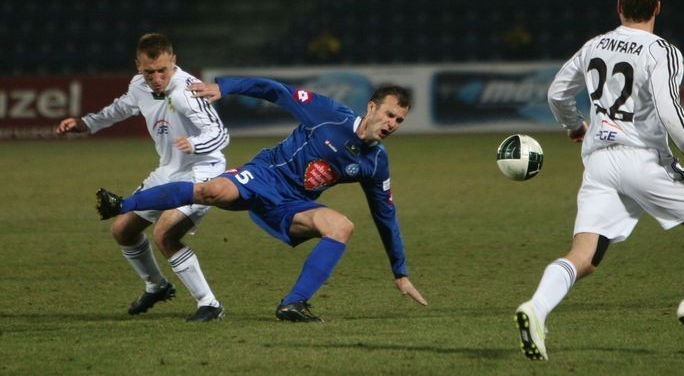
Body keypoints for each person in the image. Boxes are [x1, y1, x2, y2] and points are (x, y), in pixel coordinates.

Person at [514, 0, 684, 361]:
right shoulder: (661, 51)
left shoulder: (595, 45)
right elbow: (670, 111)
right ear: (657, 8)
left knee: (583, 255)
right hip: (644, 160)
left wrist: (574, 126)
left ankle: (536, 307)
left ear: (618, 7)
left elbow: (556, 93)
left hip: (600, 162)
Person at [95, 77, 428, 322]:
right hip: (264, 175)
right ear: (372, 107)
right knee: (210, 191)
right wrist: (226, 86)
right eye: (388, 115)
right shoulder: (329, 114)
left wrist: (400, 271)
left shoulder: (375, 162)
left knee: (341, 226)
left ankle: (293, 304)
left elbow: (385, 214)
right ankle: (121, 205)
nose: (392, 124)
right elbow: (278, 91)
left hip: (293, 205)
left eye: (399, 120)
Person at [57, 33, 230, 322]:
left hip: (203, 172)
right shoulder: (139, 86)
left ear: (173, 61)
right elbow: (120, 108)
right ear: (138, 65)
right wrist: (85, 123)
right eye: (150, 72)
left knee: (165, 233)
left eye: (163, 70)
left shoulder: (188, 91)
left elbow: (220, 134)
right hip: (168, 170)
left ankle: (210, 304)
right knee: (122, 230)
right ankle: (157, 286)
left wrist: (195, 144)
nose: (157, 77)